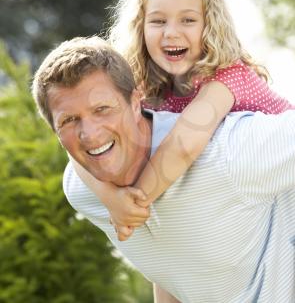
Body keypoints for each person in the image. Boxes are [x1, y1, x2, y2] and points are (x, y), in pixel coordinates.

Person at [32, 36, 295, 303]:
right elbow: (173, 265)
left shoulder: (226, 153)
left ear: (136, 103)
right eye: (70, 120)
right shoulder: (83, 192)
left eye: (102, 109)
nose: (90, 134)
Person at [72, 0, 294, 241]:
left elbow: (182, 147)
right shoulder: (148, 88)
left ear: (209, 26)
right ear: (141, 28)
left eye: (188, 20)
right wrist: (112, 198)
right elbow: (78, 134)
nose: (171, 32)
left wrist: (134, 204)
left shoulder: (227, 76)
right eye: (158, 21)